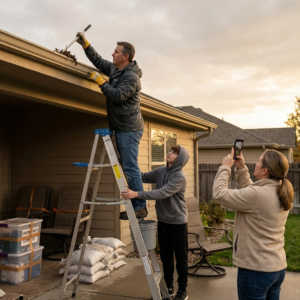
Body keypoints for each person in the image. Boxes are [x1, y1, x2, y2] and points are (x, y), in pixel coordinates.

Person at [76, 32, 147, 219]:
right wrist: (86, 45)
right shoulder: (116, 70)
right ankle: (137, 204)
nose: (112, 54)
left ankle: (140, 206)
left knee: (130, 167)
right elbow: (99, 62)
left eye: (116, 52)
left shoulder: (131, 77)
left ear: (126, 56)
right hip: (121, 127)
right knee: (127, 166)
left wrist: (101, 81)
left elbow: (117, 96)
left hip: (129, 128)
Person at [213, 148, 294, 300]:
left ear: (265, 170)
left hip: (256, 270)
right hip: (276, 268)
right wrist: (241, 168)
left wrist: (225, 167)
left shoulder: (258, 195)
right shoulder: (279, 190)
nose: (255, 163)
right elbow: (251, 192)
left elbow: (219, 194)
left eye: (258, 161)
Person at [121, 145, 189, 300]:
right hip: (163, 221)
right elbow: (143, 177)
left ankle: (182, 291)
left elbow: (162, 192)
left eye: (174, 153)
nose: (169, 153)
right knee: (165, 257)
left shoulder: (179, 176)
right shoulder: (160, 171)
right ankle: (169, 289)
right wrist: (129, 164)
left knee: (181, 257)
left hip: (178, 222)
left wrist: (136, 194)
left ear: (180, 159)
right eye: (170, 151)